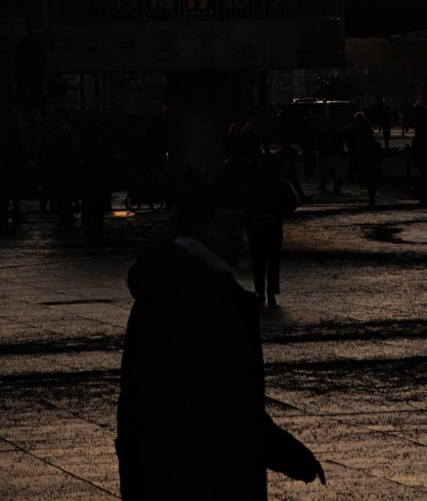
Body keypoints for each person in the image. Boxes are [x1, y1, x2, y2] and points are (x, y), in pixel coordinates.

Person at [116, 179, 325, 501]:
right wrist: (289, 455)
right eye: (225, 225)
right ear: (196, 229)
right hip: (209, 472)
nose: (237, 236)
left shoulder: (162, 284)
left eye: (238, 225)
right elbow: (227, 401)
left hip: (158, 468)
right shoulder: (209, 297)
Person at [247, 154, 299, 307]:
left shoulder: (254, 184)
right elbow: (292, 204)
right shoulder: (281, 184)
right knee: (273, 260)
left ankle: (260, 291)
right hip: (273, 224)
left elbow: (245, 203)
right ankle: (271, 292)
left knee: (258, 261)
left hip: (256, 224)